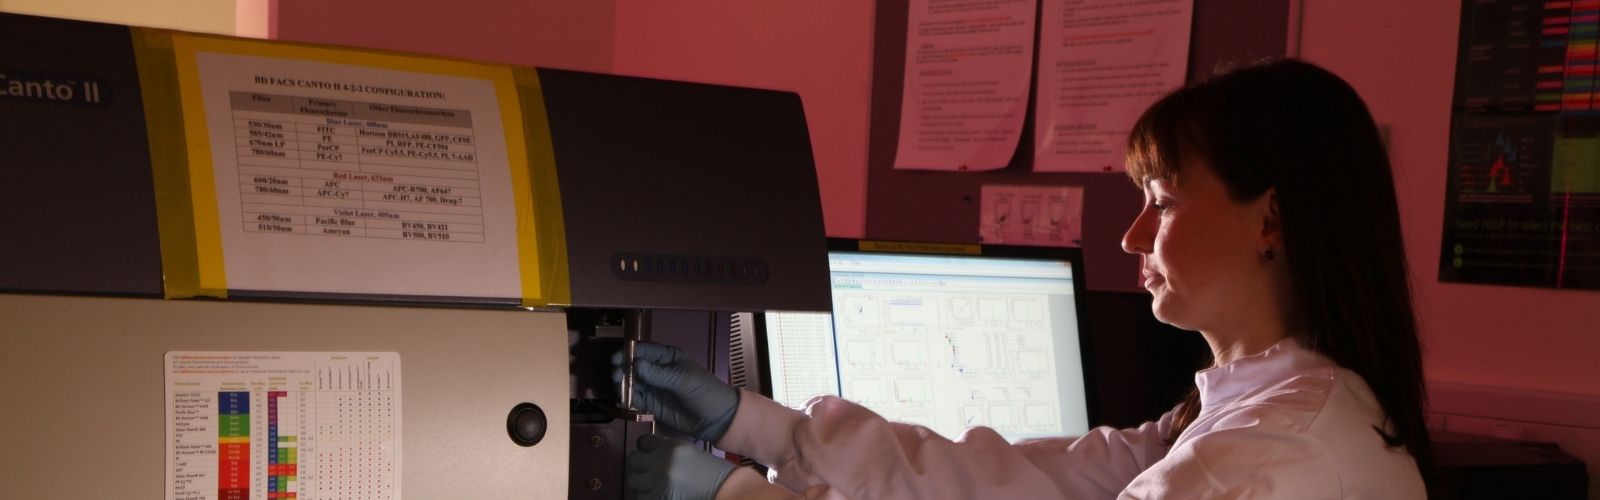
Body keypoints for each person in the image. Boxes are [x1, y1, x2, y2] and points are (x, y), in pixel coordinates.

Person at [616, 58, 1431, 499]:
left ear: (1271, 221)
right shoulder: (1259, 416)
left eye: (1164, 201)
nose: (1133, 234)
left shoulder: (1256, 464)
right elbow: (1015, 479)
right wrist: (756, 425)